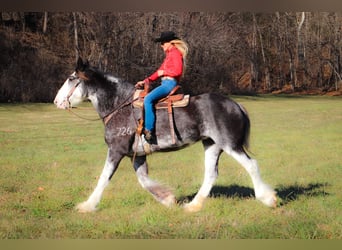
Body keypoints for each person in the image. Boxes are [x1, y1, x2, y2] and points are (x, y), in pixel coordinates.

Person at [135, 31, 188, 144]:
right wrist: (146, 81)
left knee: (148, 99)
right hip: (165, 83)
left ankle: (149, 130)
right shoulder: (169, 55)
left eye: (163, 43)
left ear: (170, 42)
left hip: (169, 83)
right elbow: (158, 72)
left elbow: (178, 71)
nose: (161, 45)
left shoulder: (175, 53)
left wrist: (164, 72)